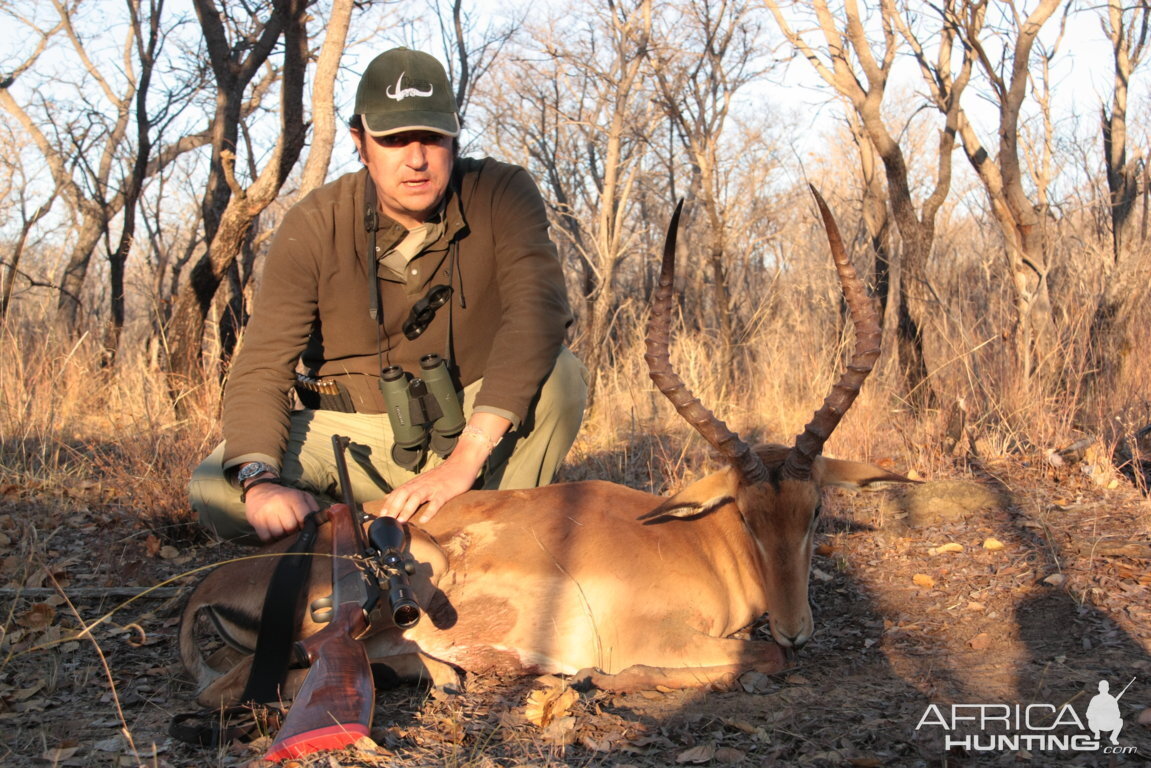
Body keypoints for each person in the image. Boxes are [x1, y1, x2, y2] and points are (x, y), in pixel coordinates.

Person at [189, 47, 587, 542]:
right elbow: (263, 365)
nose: (417, 160)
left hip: (470, 425)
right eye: (395, 140)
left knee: (561, 375)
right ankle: (371, 530)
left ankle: (489, 532)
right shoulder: (314, 223)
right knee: (216, 487)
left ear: (454, 138)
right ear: (361, 142)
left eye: (432, 138)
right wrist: (261, 482)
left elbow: (537, 313)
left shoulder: (501, 191)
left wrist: (465, 458)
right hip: (354, 437)